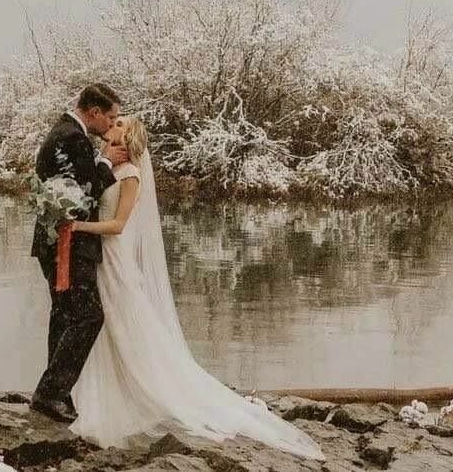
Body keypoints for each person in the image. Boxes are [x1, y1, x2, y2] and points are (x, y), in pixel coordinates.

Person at [68, 115, 325, 460]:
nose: (112, 124)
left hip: (114, 258)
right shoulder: (107, 168)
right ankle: (100, 396)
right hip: (101, 259)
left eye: (119, 124)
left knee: (122, 325)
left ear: (126, 137)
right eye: (113, 122)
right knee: (103, 328)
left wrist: (79, 227)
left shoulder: (130, 175)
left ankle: (134, 395)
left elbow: (117, 225)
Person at [29, 83, 128, 423]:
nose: (112, 125)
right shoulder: (72, 137)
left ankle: (55, 393)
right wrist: (104, 161)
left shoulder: (65, 133)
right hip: (67, 243)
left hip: (56, 241)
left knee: (65, 314)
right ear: (94, 112)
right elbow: (85, 191)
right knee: (88, 315)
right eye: (111, 117)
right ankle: (51, 392)